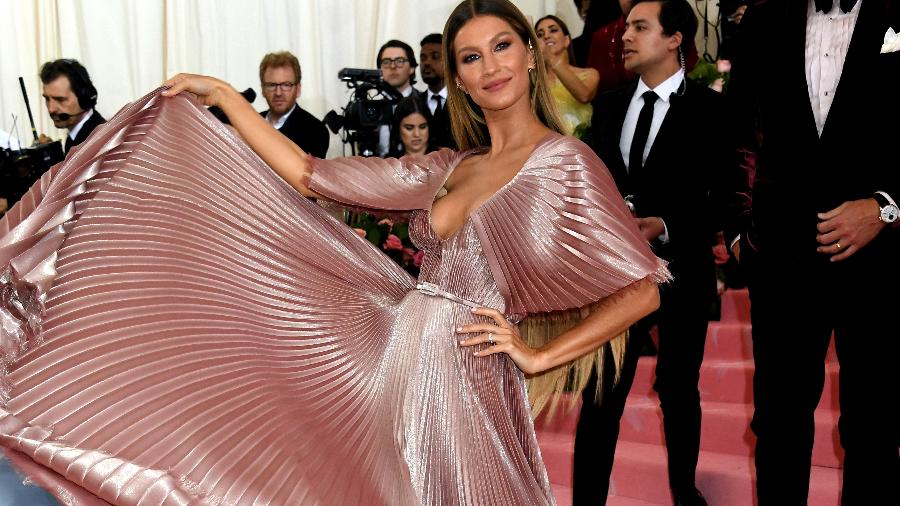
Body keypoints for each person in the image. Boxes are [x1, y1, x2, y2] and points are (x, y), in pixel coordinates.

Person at [0, 0, 668, 503]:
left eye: (501, 47)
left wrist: (537, 354)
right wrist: (227, 98)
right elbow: (309, 174)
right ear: (459, 78)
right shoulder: (445, 166)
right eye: (471, 57)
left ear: (529, 52)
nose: (490, 66)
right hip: (393, 362)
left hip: (467, 378)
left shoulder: (566, 162)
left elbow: (642, 287)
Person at [727, 0, 899, 504]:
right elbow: (739, 131)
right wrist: (741, 232)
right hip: (780, 259)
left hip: (881, 261)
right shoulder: (763, 21)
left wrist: (885, 207)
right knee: (778, 424)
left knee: (875, 427)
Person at [573, 1, 732, 505]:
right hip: (615, 277)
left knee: (679, 390)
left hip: (682, 269)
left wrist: (664, 225)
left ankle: (685, 493)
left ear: (674, 39)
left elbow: (729, 196)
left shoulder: (712, 110)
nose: (624, 36)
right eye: (626, 27)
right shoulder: (609, 106)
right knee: (600, 397)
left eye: (640, 27)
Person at [534, 15, 599, 136]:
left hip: (580, 148)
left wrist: (551, 59)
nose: (546, 36)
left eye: (553, 30)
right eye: (540, 34)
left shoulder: (589, 74)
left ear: (567, 39)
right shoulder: (534, 82)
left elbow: (584, 95)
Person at [258, 51, 329, 158]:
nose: (278, 93)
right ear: (263, 90)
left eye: (286, 85)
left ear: (298, 89)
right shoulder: (253, 121)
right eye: (272, 85)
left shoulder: (315, 130)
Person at [39, 59, 106, 154]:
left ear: (84, 98)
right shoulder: (75, 138)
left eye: (60, 100)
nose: (51, 109)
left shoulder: (98, 144)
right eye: (47, 99)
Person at [376, 39, 422, 156]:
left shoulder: (424, 102)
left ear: (412, 68)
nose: (392, 66)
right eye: (386, 62)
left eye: (399, 61)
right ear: (379, 70)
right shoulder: (371, 109)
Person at [419, 33, 455, 149]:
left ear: (449, 61)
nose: (427, 63)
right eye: (423, 58)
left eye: (435, 56)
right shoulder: (415, 103)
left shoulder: (465, 102)